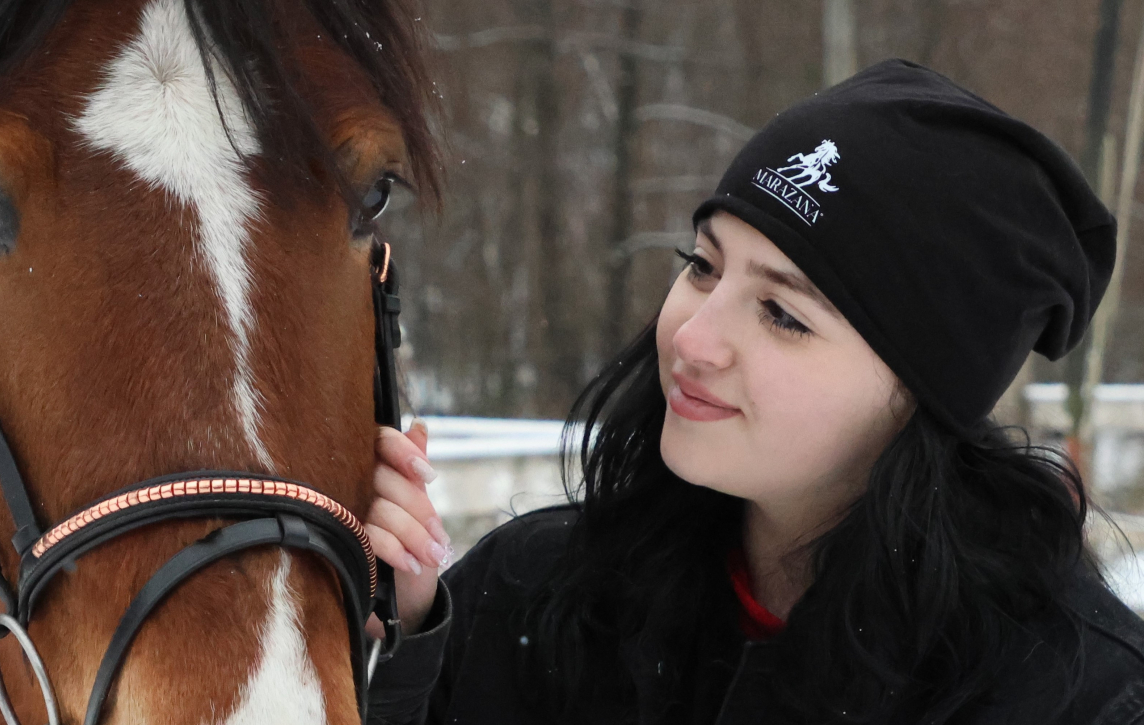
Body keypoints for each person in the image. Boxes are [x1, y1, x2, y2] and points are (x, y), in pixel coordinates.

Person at [361, 59, 1144, 725]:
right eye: (702, 264)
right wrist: (396, 650)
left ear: (924, 393)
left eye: (782, 313)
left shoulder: (1075, 697)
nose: (692, 337)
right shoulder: (534, 597)